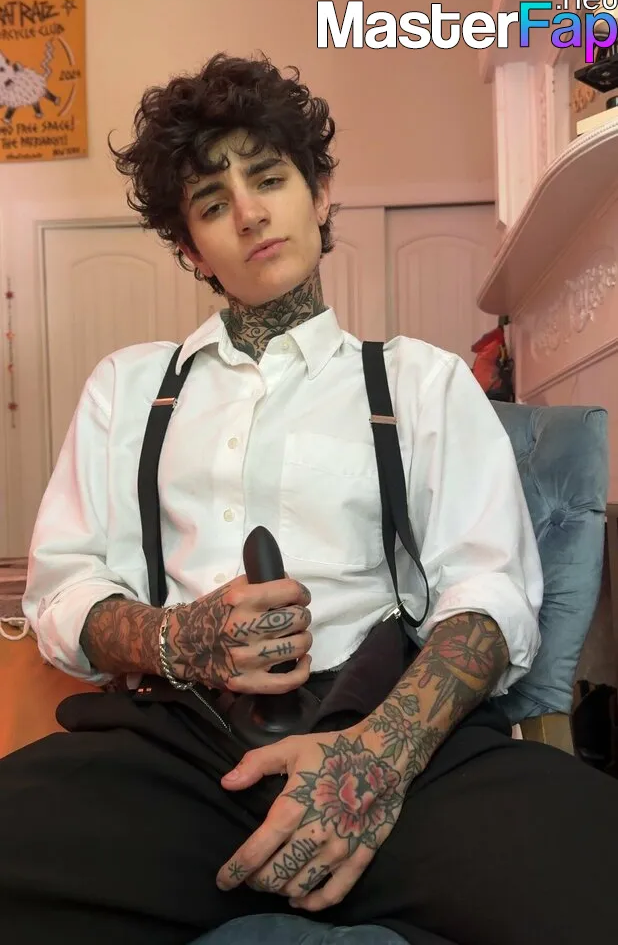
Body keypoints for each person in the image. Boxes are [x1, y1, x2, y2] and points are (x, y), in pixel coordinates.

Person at [0, 52, 616, 945]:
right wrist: (178, 638)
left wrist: (378, 761)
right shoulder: (127, 390)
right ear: (190, 248)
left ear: (320, 194)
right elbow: (60, 593)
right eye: (212, 203)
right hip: (178, 750)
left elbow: (488, 596)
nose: (249, 212)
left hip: (390, 737)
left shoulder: (422, 382)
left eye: (269, 178)